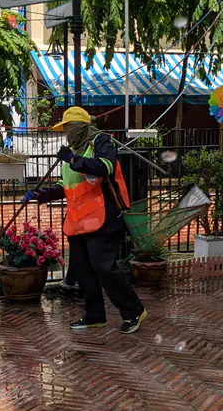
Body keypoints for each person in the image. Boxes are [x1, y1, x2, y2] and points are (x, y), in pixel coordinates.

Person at [27, 107, 147, 334]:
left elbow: (104, 167)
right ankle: (94, 316)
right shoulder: (70, 156)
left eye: (70, 128)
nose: (67, 134)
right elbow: (66, 186)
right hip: (79, 222)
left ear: (82, 127)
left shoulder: (102, 143)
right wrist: (43, 194)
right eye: (65, 130)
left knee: (104, 268)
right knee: (84, 271)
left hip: (105, 218)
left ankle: (134, 311)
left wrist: (73, 158)